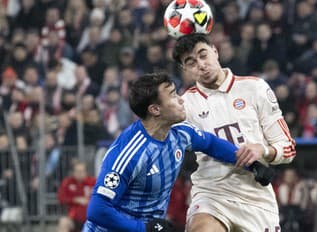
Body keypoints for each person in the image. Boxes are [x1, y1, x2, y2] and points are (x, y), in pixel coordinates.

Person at [82, 73, 261, 232]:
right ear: (155, 109)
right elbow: (97, 210)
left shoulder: (179, 131)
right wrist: (143, 228)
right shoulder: (130, 153)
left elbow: (210, 143)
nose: (181, 99)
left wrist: (250, 163)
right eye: (173, 95)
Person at [172, 33, 297, 232]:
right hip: (212, 192)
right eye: (191, 62)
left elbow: (288, 148)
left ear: (215, 51)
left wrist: (263, 150)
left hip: (256, 196)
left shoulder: (255, 88)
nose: (201, 65)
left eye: (203, 55)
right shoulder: (184, 105)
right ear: (184, 69)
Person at [57, 162, 96, 232]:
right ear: (73, 172)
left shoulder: (93, 182)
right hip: (73, 218)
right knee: (63, 222)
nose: (79, 173)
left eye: (82, 171)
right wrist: (75, 200)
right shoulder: (67, 182)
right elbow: (61, 198)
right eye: (77, 171)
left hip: (91, 219)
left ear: (86, 172)